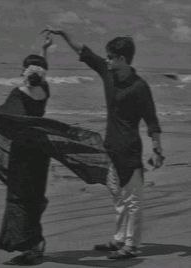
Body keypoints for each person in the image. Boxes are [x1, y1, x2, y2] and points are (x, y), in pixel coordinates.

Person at [43, 27, 164, 259]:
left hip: (130, 150)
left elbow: (151, 120)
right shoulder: (108, 73)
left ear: (121, 58)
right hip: (110, 147)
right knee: (118, 196)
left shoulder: (139, 87)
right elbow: (84, 53)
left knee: (133, 200)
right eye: (106, 57)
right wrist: (65, 34)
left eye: (110, 57)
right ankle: (118, 239)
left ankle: (131, 245)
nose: (106, 60)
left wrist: (157, 148)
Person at [0, 35, 53, 265]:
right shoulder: (44, 90)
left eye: (24, 68)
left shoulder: (20, 93)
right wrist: (43, 50)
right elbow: (40, 70)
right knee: (33, 196)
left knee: (20, 198)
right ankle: (36, 242)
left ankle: (33, 245)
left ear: (25, 72)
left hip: (24, 153)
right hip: (40, 149)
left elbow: (5, 118)